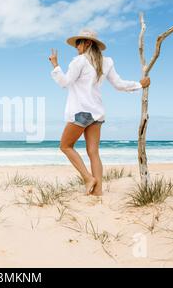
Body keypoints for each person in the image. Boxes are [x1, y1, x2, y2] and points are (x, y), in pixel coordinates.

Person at [48, 29, 150, 196]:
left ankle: (88, 178)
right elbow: (118, 84)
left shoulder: (79, 61)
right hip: (97, 114)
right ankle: (98, 193)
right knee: (93, 152)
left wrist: (55, 65)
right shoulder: (106, 62)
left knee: (65, 146)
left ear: (88, 43)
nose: (77, 47)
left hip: (81, 112)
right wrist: (139, 84)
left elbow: (65, 82)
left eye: (79, 43)